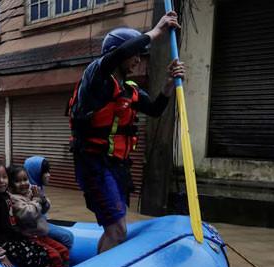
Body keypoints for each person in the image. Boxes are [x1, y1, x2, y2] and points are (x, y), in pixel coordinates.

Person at [68, 12, 186, 253]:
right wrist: (155, 32)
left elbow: (155, 110)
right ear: (118, 53)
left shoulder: (129, 89)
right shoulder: (96, 76)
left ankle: (106, 263)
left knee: (119, 226)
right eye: (134, 54)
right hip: (94, 163)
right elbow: (119, 54)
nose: (137, 60)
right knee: (117, 229)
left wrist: (167, 84)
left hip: (117, 166)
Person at [0, 161, 53, 267]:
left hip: (13, 237)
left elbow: (11, 222)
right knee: (32, 258)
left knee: (43, 252)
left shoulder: (6, 196)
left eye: (4, 177)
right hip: (2, 243)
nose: (1, 181)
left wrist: (21, 234)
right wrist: (1, 255)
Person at [8, 165, 68, 267]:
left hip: (41, 235)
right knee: (54, 256)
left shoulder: (31, 192)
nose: (23, 183)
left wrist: (43, 199)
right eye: (18, 181)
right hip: (30, 237)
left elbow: (44, 209)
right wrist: (36, 200)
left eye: (25, 179)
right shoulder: (14, 199)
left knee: (64, 251)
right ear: (10, 185)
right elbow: (28, 214)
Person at [24, 156, 75, 249]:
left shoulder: (38, 187)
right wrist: (39, 199)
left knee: (67, 236)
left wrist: (44, 200)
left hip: (40, 222)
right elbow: (30, 214)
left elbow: (43, 211)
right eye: (45, 172)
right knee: (67, 237)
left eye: (48, 171)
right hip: (33, 226)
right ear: (35, 173)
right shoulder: (28, 190)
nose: (48, 175)